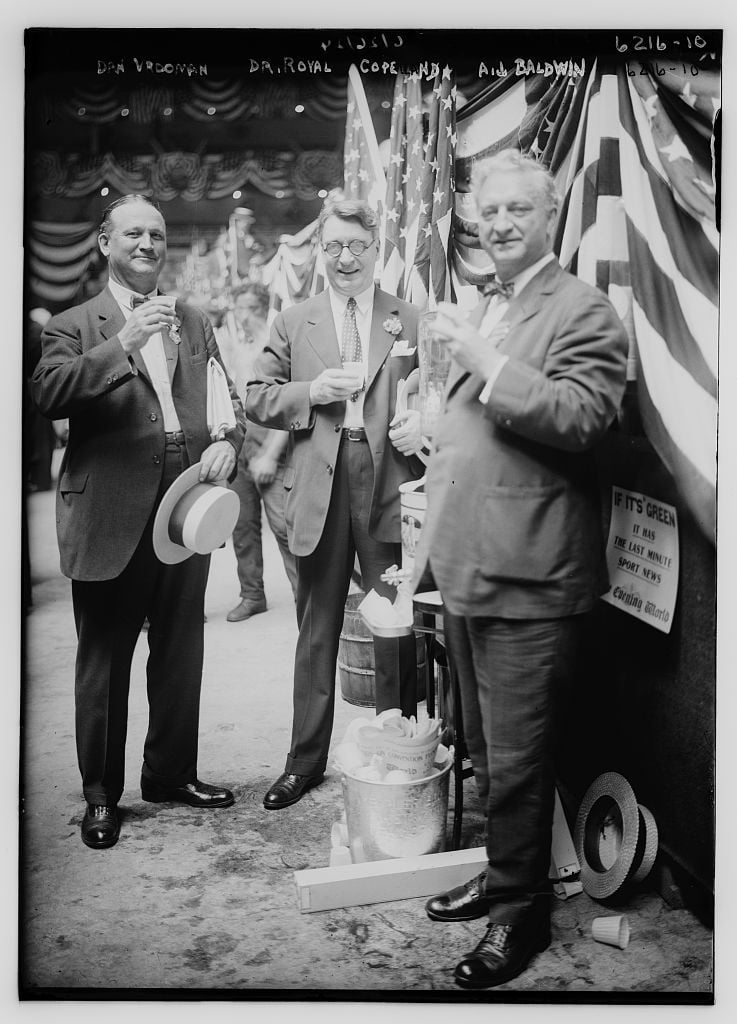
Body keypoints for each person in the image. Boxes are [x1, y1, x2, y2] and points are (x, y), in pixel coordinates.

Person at [415, 150, 628, 988]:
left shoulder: (583, 309)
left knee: (520, 758)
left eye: (516, 211)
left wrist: (483, 358)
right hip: (472, 566)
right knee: (488, 750)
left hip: (532, 579)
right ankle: (508, 873)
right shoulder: (497, 302)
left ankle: (520, 917)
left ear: (549, 217)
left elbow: (581, 418)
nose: (497, 224)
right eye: (486, 212)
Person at [31, 194, 246, 850]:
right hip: (110, 508)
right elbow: (48, 393)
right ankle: (101, 795)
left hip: (187, 497)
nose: (147, 243)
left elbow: (226, 398)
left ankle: (171, 773)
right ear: (104, 242)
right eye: (133, 233)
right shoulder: (75, 324)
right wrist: (125, 341)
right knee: (105, 659)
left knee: (182, 648)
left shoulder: (194, 316)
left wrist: (227, 443)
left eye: (156, 233)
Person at [246, 191, 425, 810]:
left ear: (376, 250)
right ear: (320, 251)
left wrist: (419, 422)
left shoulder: (409, 318)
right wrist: (310, 390)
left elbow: (437, 392)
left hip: (386, 483)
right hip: (320, 482)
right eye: (335, 246)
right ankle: (304, 762)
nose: (346, 257)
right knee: (317, 628)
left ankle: (402, 751)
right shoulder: (295, 321)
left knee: (394, 624)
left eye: (358, 246)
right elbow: (256, 395)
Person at [219, 283, 298, 621]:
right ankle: (252, 595)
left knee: (285, 526)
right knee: (242, 525)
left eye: (250, 307)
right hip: (240, 441)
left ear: (263, 308)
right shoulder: (233, 343)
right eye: (238, 308)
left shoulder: (277, 342)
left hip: (273, 445)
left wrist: (270, 452)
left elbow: (290, 405)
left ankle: (305, 595)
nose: (243, 315)